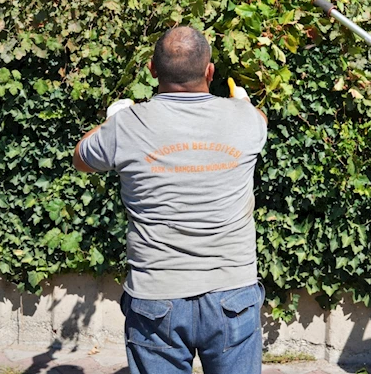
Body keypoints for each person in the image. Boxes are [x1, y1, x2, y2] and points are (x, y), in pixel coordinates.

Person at [73, 26, 268, 374]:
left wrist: (113, 119)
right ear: (210, 71)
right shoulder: (246, 120)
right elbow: (260, 121)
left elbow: (81, 158)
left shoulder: (126, 126)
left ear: (152, 69)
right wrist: (242, 102)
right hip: (232, 296)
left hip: (155, 297)